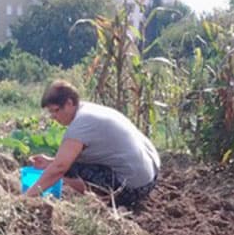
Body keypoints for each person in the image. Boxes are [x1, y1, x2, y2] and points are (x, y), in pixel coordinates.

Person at [25, 80, 159, 206]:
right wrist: (49, 163)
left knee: (71, 171)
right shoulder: (89, 110)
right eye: (50, 112)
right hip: (150, 178)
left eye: (55, 110)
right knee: (72, 167)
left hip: (132, 188)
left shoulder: (81, 124)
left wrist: (26, 198)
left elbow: (60, 167)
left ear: (69, 103)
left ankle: (107, 198)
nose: (53, 117)